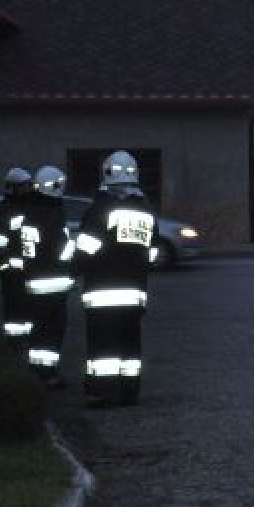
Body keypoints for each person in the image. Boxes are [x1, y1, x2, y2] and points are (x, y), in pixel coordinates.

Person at [73, 150, 158, 406]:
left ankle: (102, 394)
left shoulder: (100, 210)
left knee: (103, 346)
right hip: (135, 292)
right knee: (130, 344)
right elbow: (150, 255)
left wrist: (74, 270)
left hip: (103, 291)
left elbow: (87, 249)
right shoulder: (145, 211)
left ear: (107, 175)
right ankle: (129, 392)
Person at [20, 165, 75, 388]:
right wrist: (74, 248)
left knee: (39, 329)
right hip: (53, 281)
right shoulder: (51, 213)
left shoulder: (31, 211)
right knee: (52, 330)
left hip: (34, 279)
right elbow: (61, 250)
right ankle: (48, 374)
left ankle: (37, 371)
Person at [0, 166, 34, 351]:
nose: (28, 189)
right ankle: (14, 341)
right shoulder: (4, 209)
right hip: (11, 267)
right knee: (13, 305)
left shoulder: (31, 206)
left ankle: (27, 337)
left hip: (28, 266)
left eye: (28, 185)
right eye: (23, 186)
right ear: (13, 187)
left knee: (26, 304)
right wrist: (3, 262)